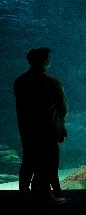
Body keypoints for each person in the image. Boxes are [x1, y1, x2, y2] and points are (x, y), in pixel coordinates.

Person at [13, 47, 68, 205]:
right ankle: (45, 195)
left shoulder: (20, 81)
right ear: (45, 61)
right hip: (48, 128)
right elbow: (61, 107)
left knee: (28, 161)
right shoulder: (52, 82)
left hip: (27, 129)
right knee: (46, 161)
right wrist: (61, 126)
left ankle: (23, 195)